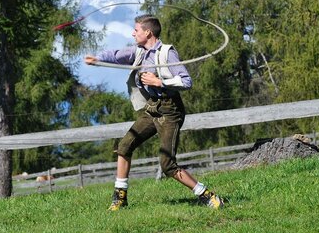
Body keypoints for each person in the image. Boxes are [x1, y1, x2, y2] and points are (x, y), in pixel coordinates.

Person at [85, 14, 223, 211]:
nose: (133, 33)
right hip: (151, 108)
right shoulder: (139, 52)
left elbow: (186, 81)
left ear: (148, 32)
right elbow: (116, 55)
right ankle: (120, 198)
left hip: (170, 110)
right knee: (124, 146)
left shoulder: (167, 53)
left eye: (137, 30)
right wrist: (97, 59)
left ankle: (207, 195)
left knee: (167, 165)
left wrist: (160, 82)